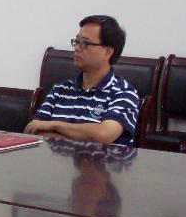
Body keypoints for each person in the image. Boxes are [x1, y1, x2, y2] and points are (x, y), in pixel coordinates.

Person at [26, 15, 140, 145]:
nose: (77, 48)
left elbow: (103, 134)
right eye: (77, 41)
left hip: (101, 159)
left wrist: (54, 125)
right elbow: (34, 130)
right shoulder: (60, 89)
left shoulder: (124, 93)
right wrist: (85, 136)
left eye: (85, 43)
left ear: (108, 52)